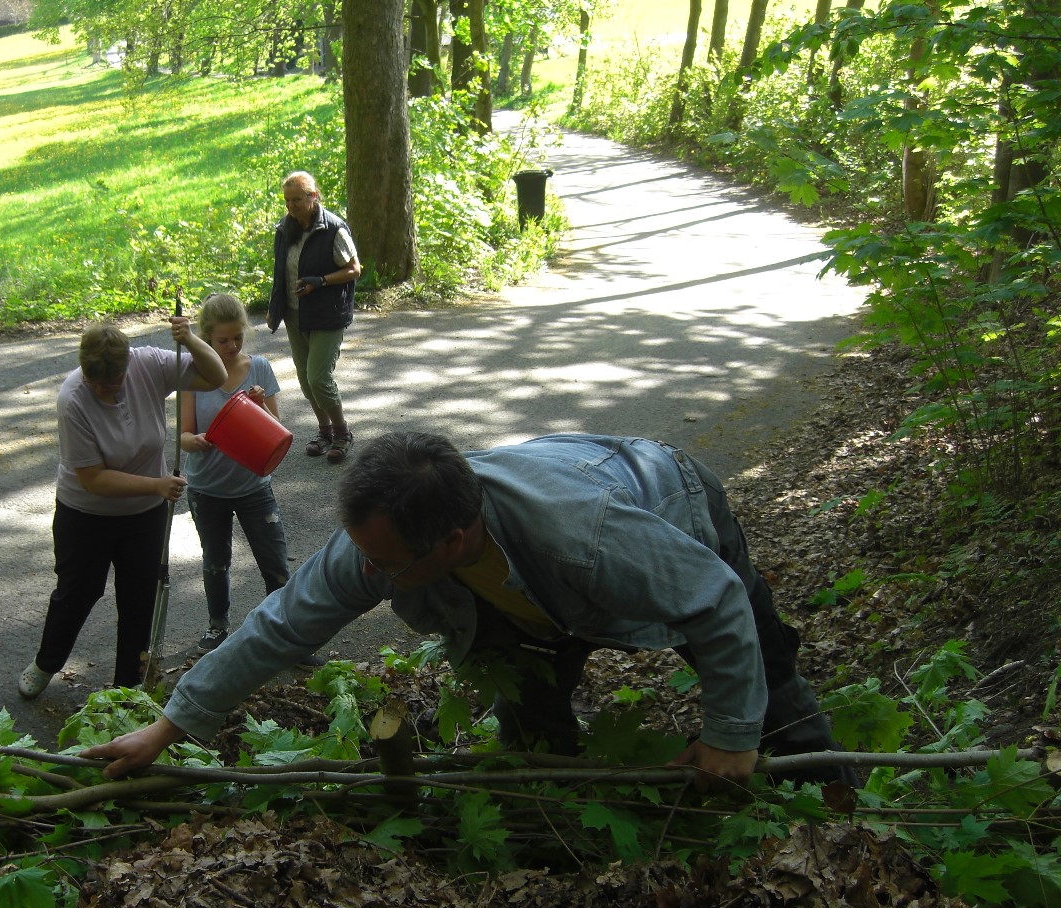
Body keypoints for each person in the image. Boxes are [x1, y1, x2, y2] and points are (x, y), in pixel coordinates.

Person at [86, 432, 856, 790]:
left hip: (665, 502)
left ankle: (830, 794)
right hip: (523, 600)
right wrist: (171, 725)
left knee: (763, 672)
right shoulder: (382, 539)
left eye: (386, 565)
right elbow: (281, 625)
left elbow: (715, 600)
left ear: (451, 541)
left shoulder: (585, 537)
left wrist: (729, 734)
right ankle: (559, 815)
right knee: (527, 711)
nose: (369, 574)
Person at [17, 313, 226, 698]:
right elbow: (94, 479)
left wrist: (191, 339)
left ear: (127, 363)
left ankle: (127, 686)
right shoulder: (73, 399)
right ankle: (47, 663)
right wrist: (156, 485)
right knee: (77, 592)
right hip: (85, 514)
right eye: (95, 381)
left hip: (144, 514)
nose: (103, 389)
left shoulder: (148, 364)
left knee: (139, 597)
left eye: (112, 381)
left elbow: (216, 376)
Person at [180, 293, 295, 654]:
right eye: (222, 340)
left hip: (253, 485)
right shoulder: (193, 375)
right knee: (216, 562)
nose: (231, 346)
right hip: (207, 488)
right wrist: (195, 441)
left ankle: (285, 631)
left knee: (274, 562)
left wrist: (259, 405)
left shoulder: (259, 367)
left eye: (238, 338)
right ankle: (218, 626)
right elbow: (182, 436)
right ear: (207, 338)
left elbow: (277, 430)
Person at [265, 170, 362, 464]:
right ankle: (324, 431)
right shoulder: (285, 228)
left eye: (297, 200)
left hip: (327, 314)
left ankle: (342, 433)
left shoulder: (333, 229)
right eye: (287, 200)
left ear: (313, 196)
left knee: (318, 377)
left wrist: (320, 281)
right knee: (305, 381)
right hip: (295, 314)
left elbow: (354, 269)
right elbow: (281, 272)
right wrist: (275, 306)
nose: (291, 206)